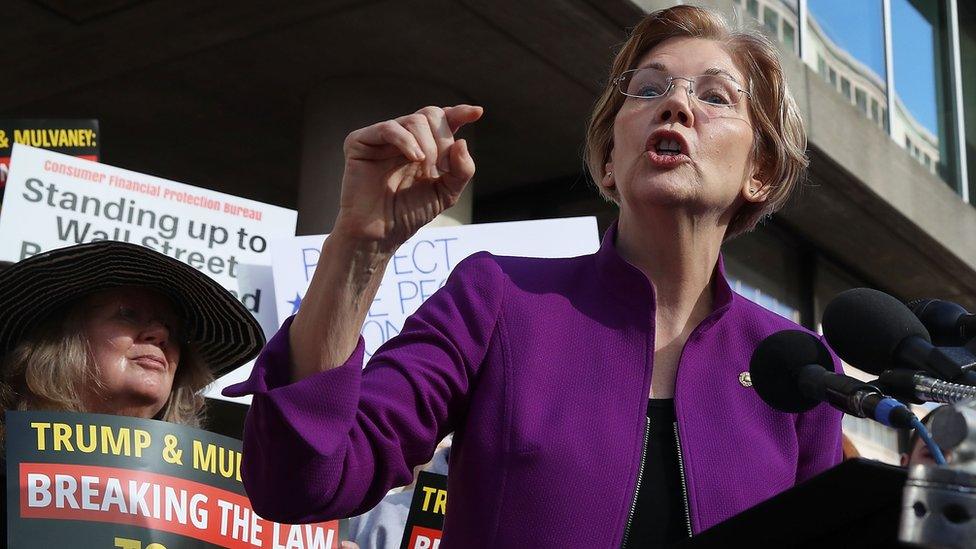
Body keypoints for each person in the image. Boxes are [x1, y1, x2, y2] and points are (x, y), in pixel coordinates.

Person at [226, 5, 842, 547]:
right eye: (649, 90)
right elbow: (302, 483)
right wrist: (359, 247)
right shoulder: (497, 299)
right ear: (608, 157)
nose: (676, 105)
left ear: (759, 173)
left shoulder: (797, 366)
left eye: (715, 97)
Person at [0, 240, 265, 541]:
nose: (162, 334)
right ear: (61, 340)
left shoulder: (221, 510)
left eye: (174, 331)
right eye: (128, 314)